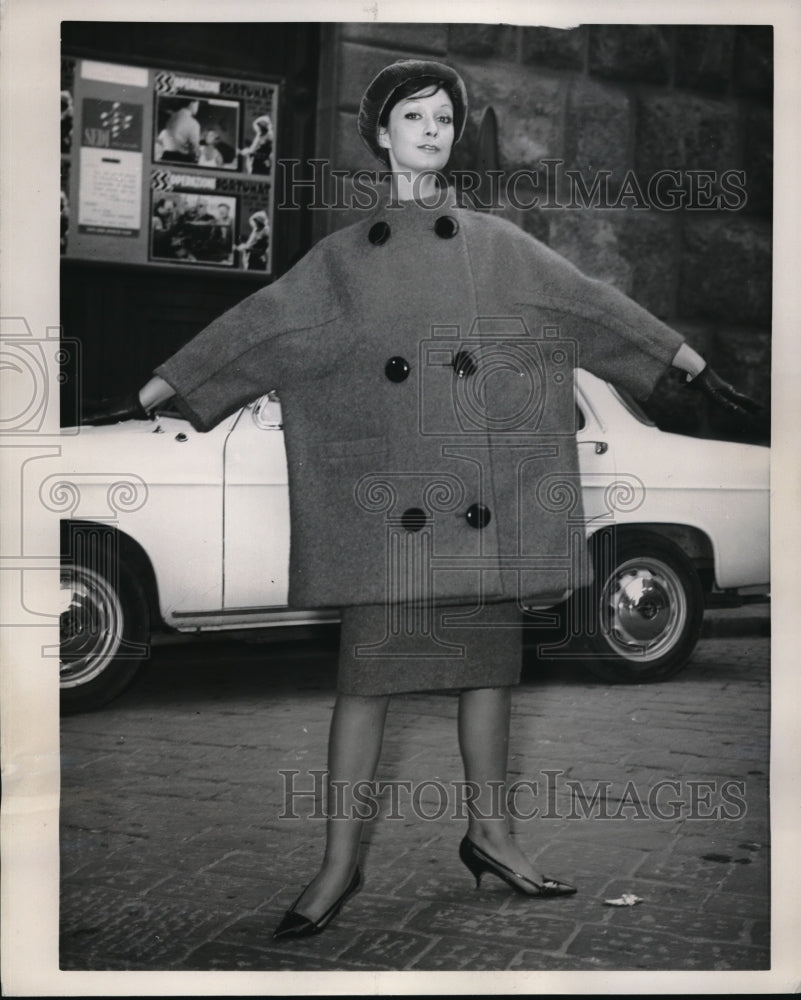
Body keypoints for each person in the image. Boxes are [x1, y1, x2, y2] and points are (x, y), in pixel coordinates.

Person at [84, 61, 762, 938]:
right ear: (380, 133)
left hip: (474, 497)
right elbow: (257, 328)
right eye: (414, 115)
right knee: (366, 684)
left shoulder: (495, 244)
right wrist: (143, 396)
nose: (433, 129)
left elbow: (589, 307)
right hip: (393, 518)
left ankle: (491, 836)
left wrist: (693, 367)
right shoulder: (342, 259)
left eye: (444, 117)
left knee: (489, 673)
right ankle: (335, 865)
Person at [155, 98, 201, 164]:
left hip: (165, 157)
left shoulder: (171, 117)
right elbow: (194, 149)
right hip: (181, 160)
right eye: (198, 103)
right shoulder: (193, 123)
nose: (197, 107)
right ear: (192, 103)